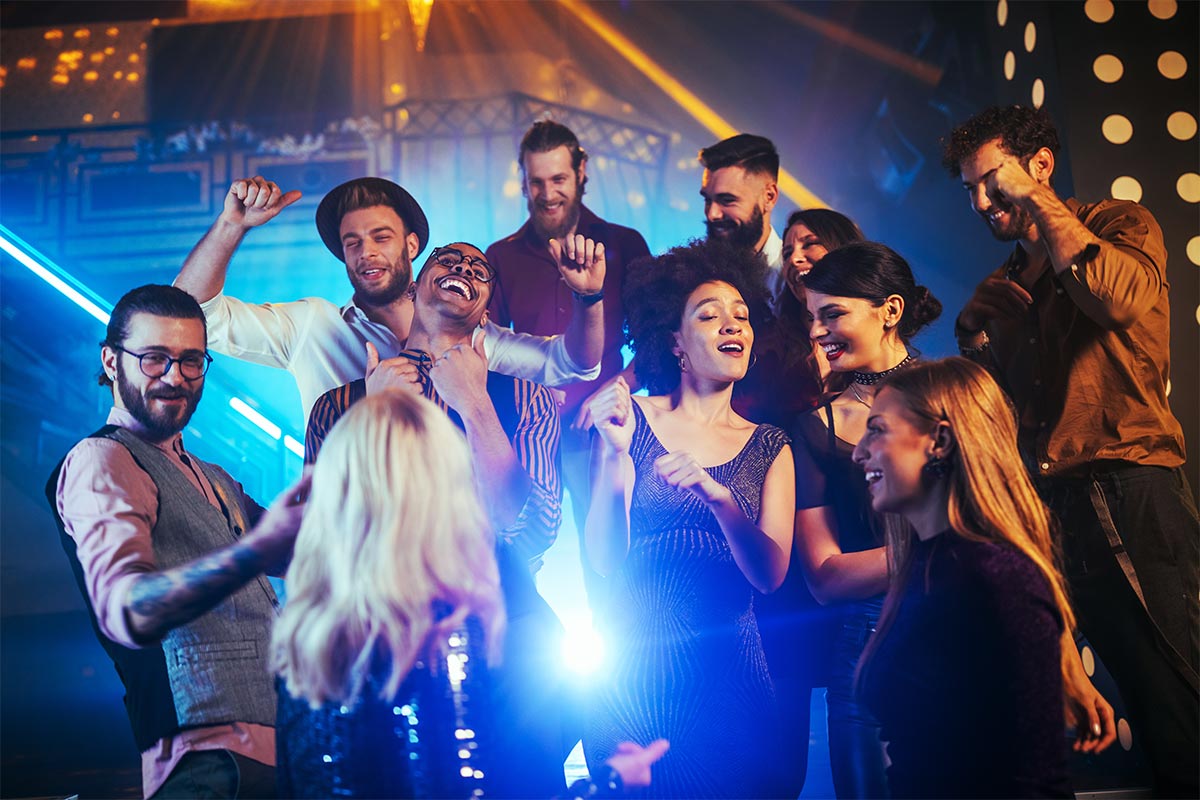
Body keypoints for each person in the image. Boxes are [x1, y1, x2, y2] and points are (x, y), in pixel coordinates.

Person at [944, 104, 1198, 796]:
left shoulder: (1120, 224)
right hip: (1049, 506)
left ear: (1041, 166)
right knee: (1078, 702)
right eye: (968, 188)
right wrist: (973, 339)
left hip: (1127, 486)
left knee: (1176, 702)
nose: (980, 201)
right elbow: (997, 416)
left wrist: (1039, 203)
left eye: (992, 180)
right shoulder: (1004, 284)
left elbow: (1115, 303)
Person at [304, 242, 571, 797]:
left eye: (480, 271)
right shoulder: (339, 404)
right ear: (413, 287)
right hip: (380, 639)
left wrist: (474, 403)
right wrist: (372, 418)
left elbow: (535, 527)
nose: (464, 271)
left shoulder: (526, 397)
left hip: (506, 634)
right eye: (448, 261)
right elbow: (320, 537)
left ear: (486, 308)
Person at [46, 285, 310, 799]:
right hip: (207, 764)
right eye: (154, 359)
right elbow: (128, 611)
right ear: (110, 360)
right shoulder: (102, 459)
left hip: (278, 754)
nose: (175, 376)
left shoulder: (214, 475)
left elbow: (296, 551)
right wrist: (257, 549)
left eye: (192, 361)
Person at [583, 239, 795, 798]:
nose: (733, 325)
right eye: (710, 315)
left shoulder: (770, 446)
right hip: (629, 679)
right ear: (675, 342)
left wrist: (719, 496)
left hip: (729, 679)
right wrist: (612, 456)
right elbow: (604, 560)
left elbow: (770, 577)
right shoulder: (631, 419)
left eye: (741, 316)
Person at [853, 357, 1097, 797]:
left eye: (877, 429)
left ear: (940, 440)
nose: (857, 451)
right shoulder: (925, 569)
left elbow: (1034, 783)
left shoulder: (998, 579)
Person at [173, 175, 605, 421]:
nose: (367, 253)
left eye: (381, 237)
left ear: (412, 246)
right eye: (352, 243)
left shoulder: (473, 338)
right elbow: (191, 317)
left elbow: (571, 364)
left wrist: (589, 299)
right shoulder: (314, 326)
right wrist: (232, 226)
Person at [794, 242, 941, 797]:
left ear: (891, 311)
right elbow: (825, 576)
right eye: (813, 318)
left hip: (963, 621)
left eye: (832, 314)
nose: (817, 331)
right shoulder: (815, 426)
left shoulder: (956, 393)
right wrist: (937, 547)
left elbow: (1004, 519)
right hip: (866, 646)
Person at [486, 120, 651, 602]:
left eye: (558, 179)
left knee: (611, 565)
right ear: (522, 182)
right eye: (537, 182)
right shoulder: (501, 256)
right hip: (526, 434)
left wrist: (610, 390)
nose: (547, 193)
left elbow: (656, 342)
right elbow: (490, 352)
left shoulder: (625, 245)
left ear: (582, 174)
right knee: (516, 558)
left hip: (603, 434)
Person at [746, 207, 867, 796]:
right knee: (783, 717)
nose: (795, 258)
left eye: (811, 245)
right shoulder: (768, 344)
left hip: (866, 543)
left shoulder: (883, 356)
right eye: (789, 248)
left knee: (871, 721)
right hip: (797, 540)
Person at [698, 134, 785, 311]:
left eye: (727, 200)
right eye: (707, 200)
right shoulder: (696, 273)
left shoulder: (794, 282)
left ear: (769, 197)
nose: (712, 214)